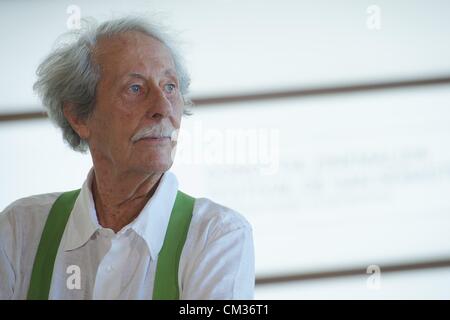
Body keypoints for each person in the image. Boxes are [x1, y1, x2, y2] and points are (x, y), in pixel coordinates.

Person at [0, 16, 254, 300]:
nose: (162, 107)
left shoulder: (217, 235)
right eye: (135, 88)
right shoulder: (18, 231)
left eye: (170, 86)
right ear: (78, 116)